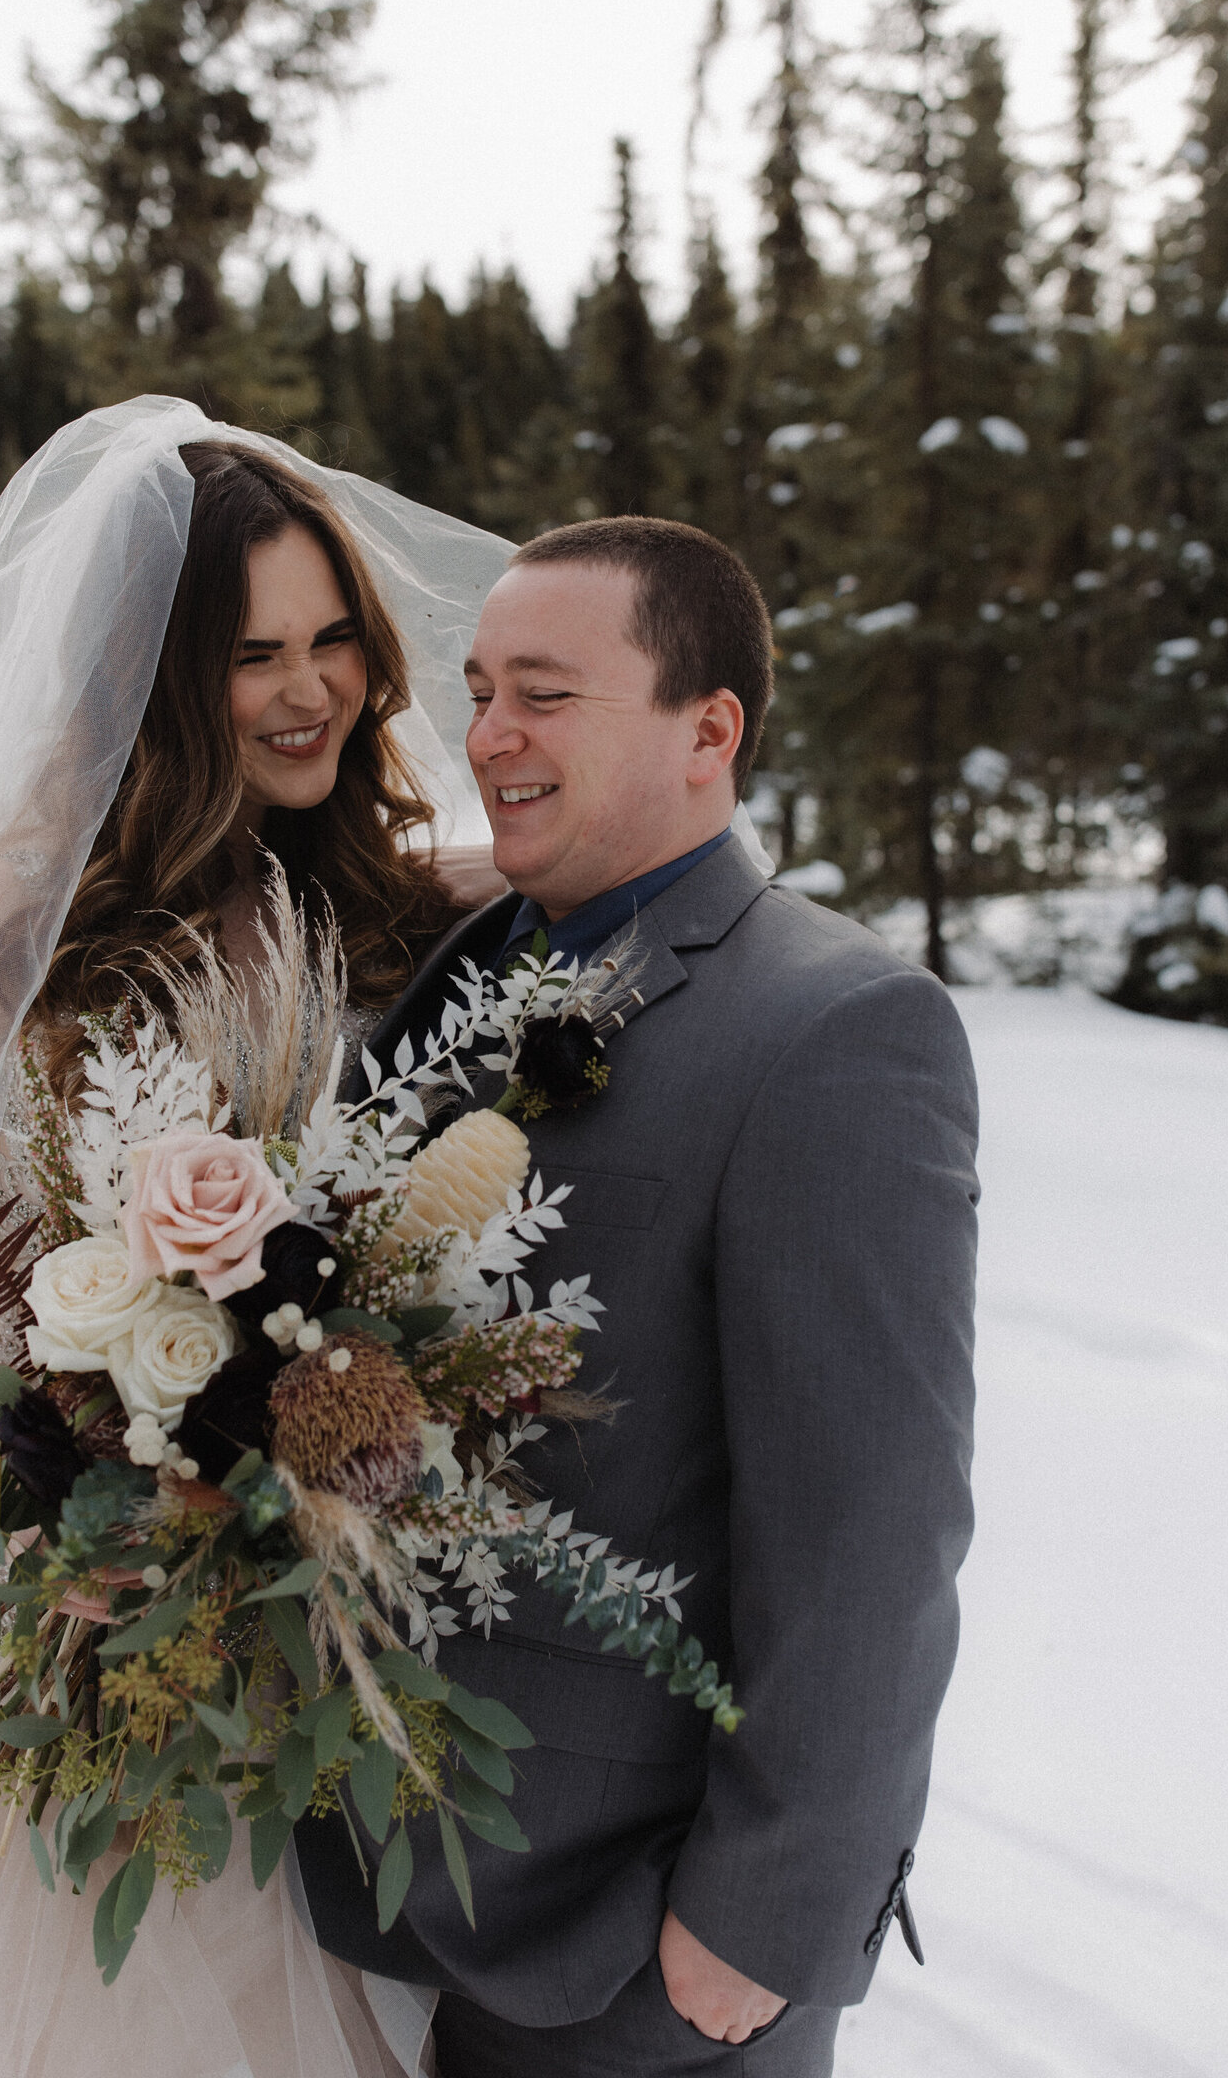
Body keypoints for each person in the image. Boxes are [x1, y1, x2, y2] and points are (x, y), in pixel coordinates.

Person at [0, 400, 509, 2078]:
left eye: (334, 642)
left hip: (367, 1642)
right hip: (128, 1664)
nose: (312, 691)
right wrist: (30, 1504)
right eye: (252, 656)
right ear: (152, 685)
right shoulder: (9, 921)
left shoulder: (407, 893)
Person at [295, 516, 981, 2077]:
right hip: (373, 1882)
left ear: (709, 729)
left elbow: (873, 1530)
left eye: (544, 693)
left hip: (626, 1950)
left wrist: (763, 1919)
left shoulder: (840, 1029)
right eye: (477, 691)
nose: (489, 736)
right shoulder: (464, 967)